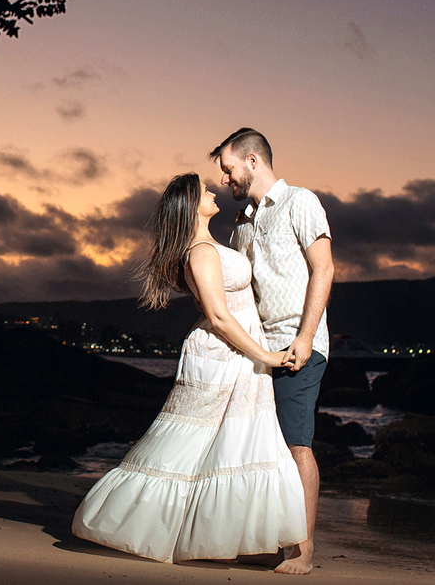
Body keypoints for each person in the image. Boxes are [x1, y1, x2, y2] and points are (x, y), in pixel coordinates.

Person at [72, 173, 307, 569]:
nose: (213, 191)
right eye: (204, 190)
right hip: (222, 352)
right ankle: (126, 521)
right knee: (186, 439)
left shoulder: (208, 246)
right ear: (191, 205)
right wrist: (266, 356)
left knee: (230, 442)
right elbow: (219, 316)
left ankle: (220, 536)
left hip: (236, 351)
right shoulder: (200, 252)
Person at [211, 128, 334, 576]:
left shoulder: (301, 202)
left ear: (253, 161)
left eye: (229, 169)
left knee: (296, 444)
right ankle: (268, 540)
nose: (225, 178)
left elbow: (324, 268)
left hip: (298, 344)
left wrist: (305, 336)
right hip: (258, 351)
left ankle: (303, 549)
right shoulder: (242, 221)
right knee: (262, 447)